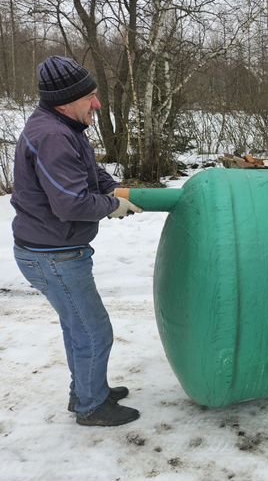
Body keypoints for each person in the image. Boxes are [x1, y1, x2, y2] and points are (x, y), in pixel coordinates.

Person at [11, 56, 143, 426]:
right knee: (93, 330)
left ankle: (87, 390)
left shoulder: (65, 127)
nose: (97, 104)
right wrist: (111, 206)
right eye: (91, 97)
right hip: (53, 255)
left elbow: (90, 173)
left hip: (53, 250)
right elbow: (70, 203)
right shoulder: (53, 136)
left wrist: (111, 189)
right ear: (66, 100)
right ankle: (91, 406)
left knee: (77, 326)